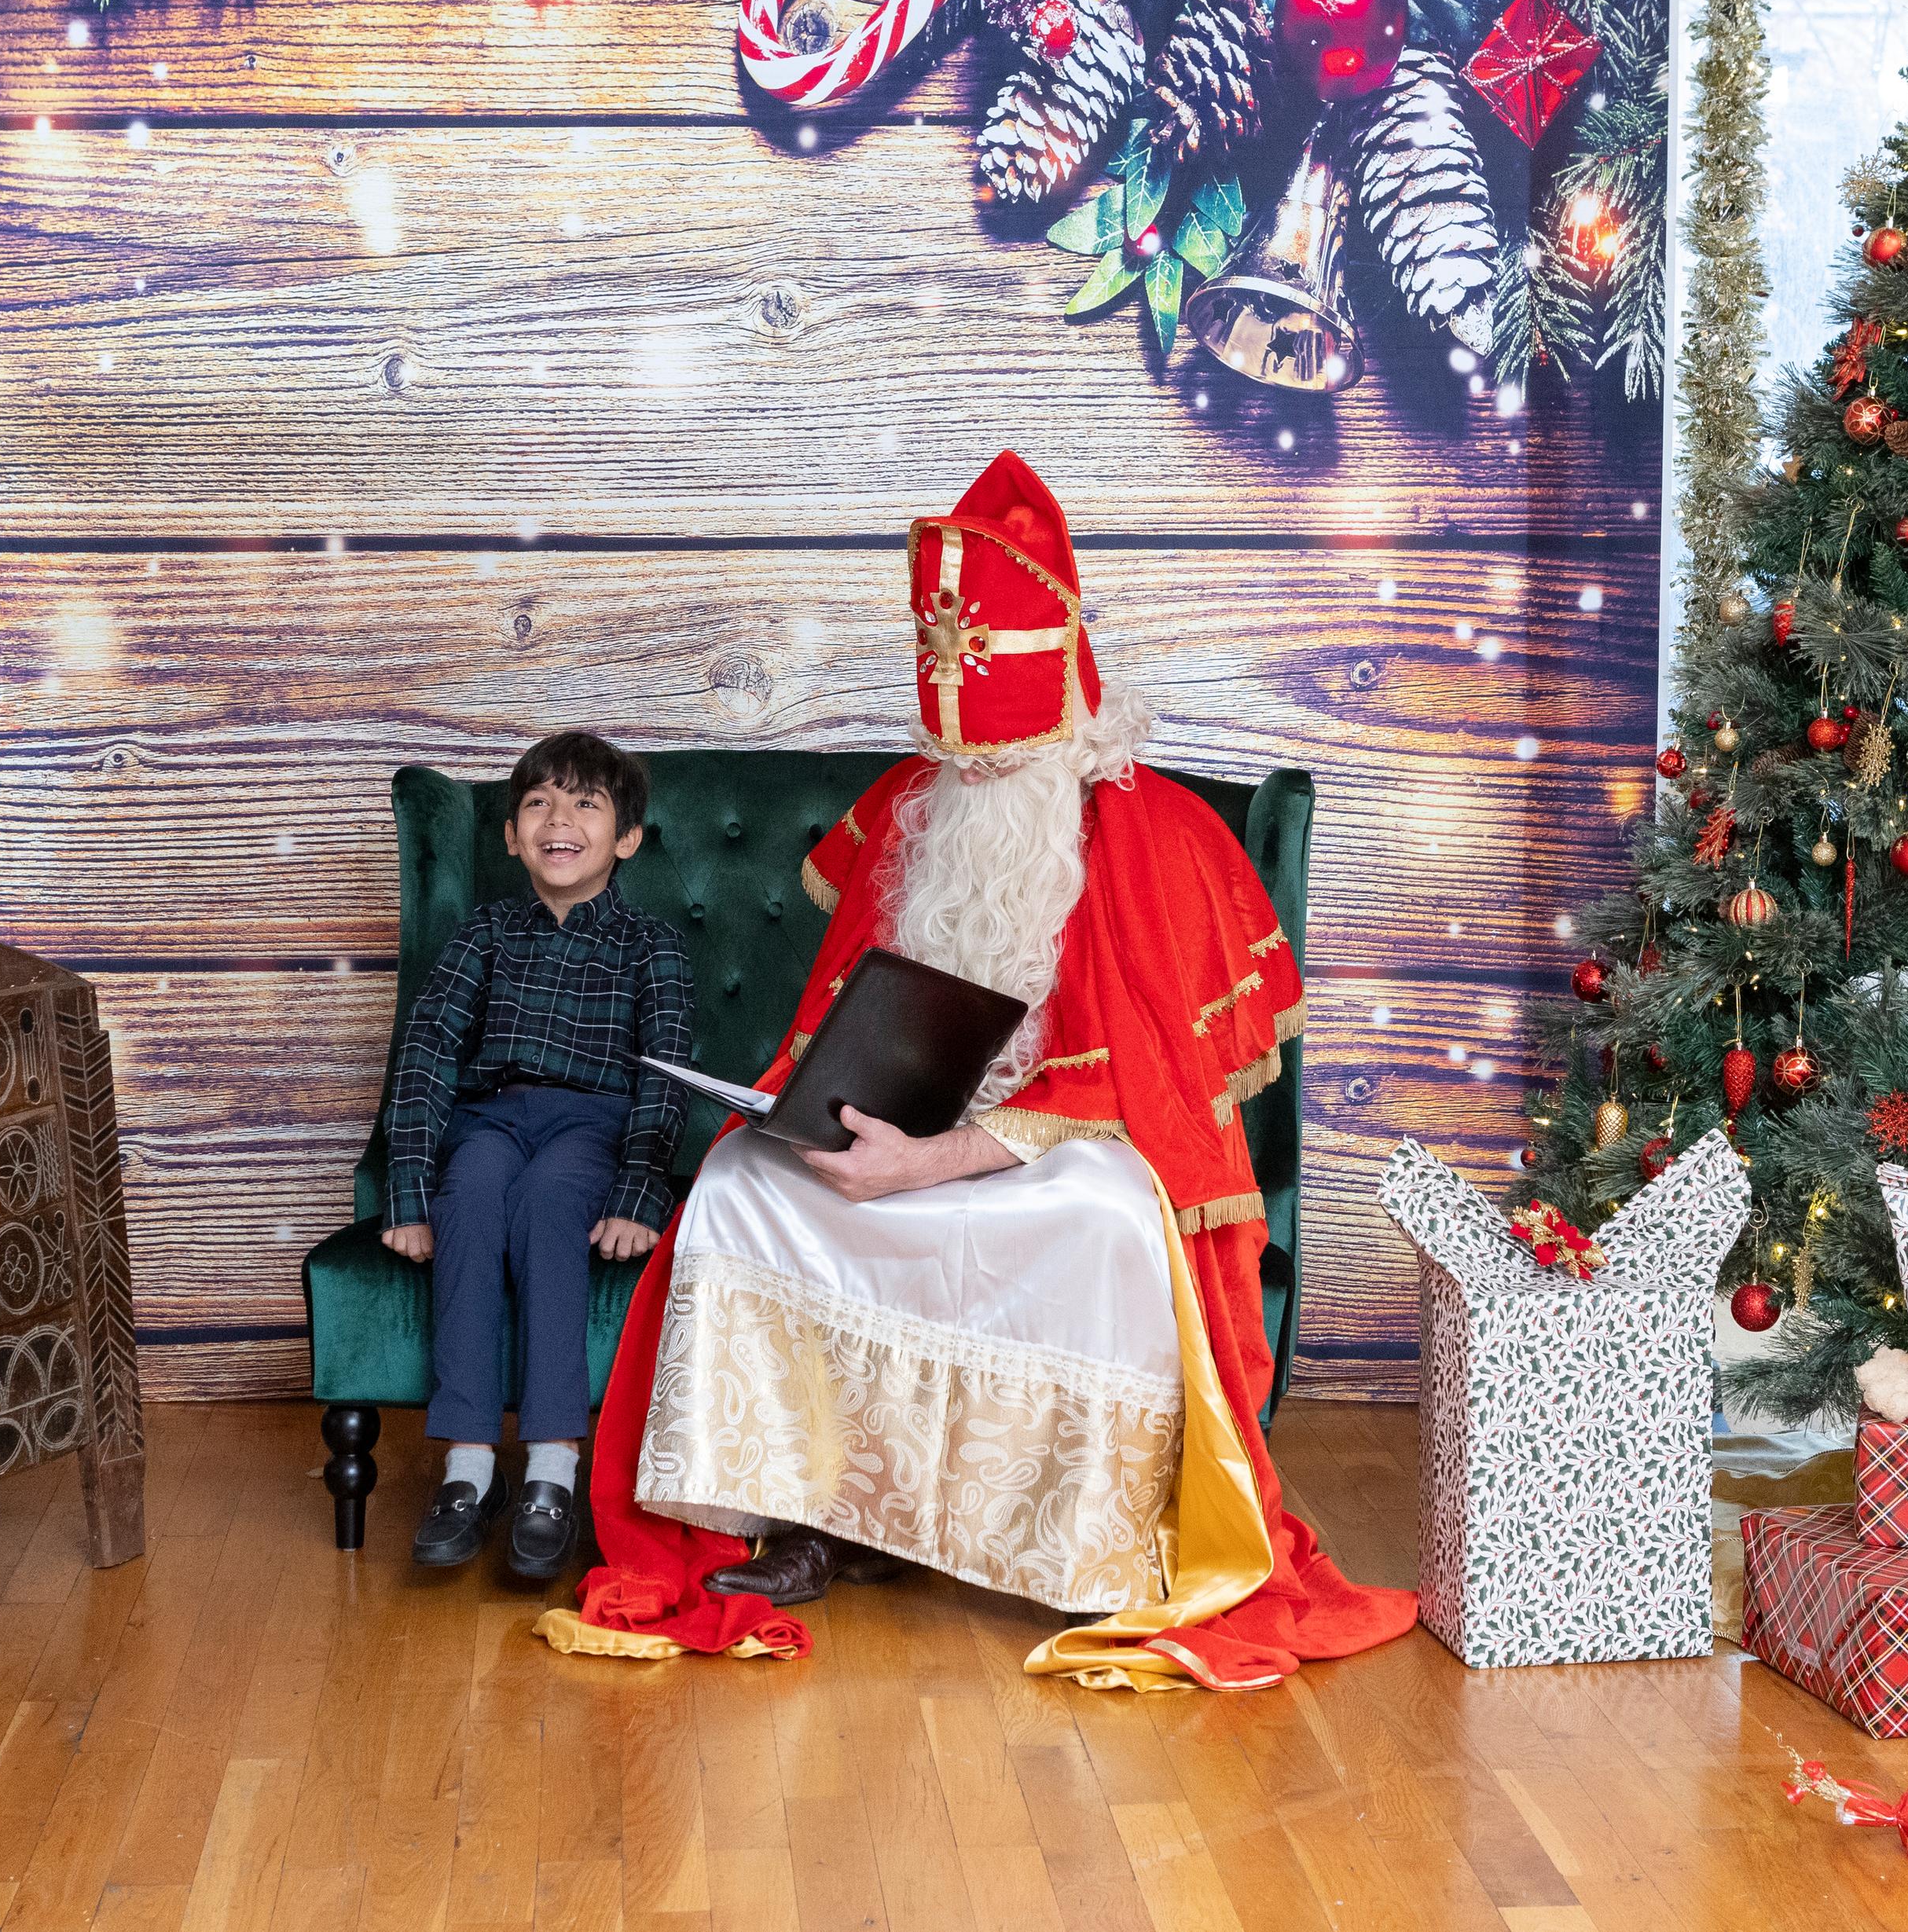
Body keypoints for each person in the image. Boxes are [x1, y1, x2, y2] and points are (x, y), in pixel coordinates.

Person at [539, 450, 1416, 1690]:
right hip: (902, 1136)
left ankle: (1093, 1547)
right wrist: (829, 1125)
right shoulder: (919, 806)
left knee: (1107, 1223)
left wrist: (939, 1160)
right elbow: (846, 1021)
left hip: (1061, 1157)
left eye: (1005, 763)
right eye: (968, 763)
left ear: (1064, 710)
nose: (981, 785)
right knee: (739, 1186)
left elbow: (1143, 1101)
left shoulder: (1155, 838)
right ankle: (807, 1510)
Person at [383, 731, 694, 1582]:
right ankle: (469, 1470)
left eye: (586, 804)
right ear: (512, 837)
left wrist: (639, 1193)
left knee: (552, 1201)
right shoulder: (484, 933)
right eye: (538, 804)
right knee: (471, 1195)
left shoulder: (653, 947)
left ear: (626, 839)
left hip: (593, 1127)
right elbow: (427, 1052)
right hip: (489, 1120)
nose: (559, 820)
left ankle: (552, 1470)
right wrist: (408, 1194)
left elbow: (667, 1078)